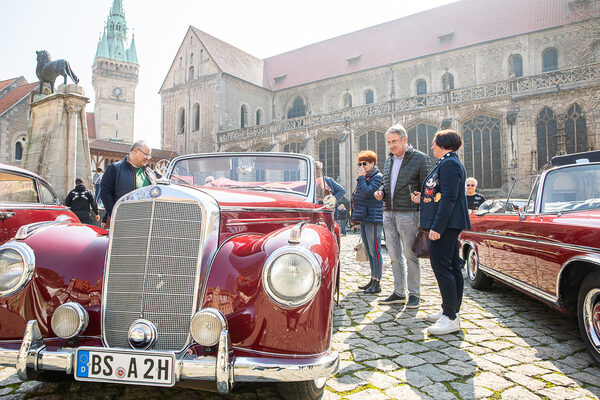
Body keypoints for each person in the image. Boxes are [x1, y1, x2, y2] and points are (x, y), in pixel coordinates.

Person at [410, 129, 470, 335]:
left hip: (446, 225)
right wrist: (422, 199)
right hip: (446, 223)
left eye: (434, 142)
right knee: (451, 266)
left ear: (444, 144)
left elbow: (449, 198)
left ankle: (451, 317)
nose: (431, 146)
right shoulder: (446, 162)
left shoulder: (450, 163)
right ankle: (450, 309)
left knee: (443, 268)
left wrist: (437, 227)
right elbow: (439, 193)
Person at [374, 124, 432, 308]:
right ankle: (399, 292)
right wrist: (380, 191)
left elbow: (428, 188)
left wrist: (421, 198)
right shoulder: (388, 161)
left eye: (394, 141)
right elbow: (385, 183)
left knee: (410, 255)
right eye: (389, 142)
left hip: (408, 213)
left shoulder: (420, 159)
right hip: (388, 212)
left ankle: (414, 293)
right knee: (393, 255)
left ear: (404, 140)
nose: (391, 146)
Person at [100, 140, 155, 228]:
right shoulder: (114, 168)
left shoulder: (150, 174)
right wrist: (114, 215)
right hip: (121, 223)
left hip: (144, 224)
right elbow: (105, 193)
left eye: (149, 155)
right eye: (146, 154)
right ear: (136, 150)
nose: (148, 158)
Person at [351, 150, 384, 294]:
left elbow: (368, 193)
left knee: (375, 250)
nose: (362, 166)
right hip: (365, 217)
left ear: (372, 163)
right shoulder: (367, 177)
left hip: (374, 218)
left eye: (365, 163)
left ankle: (377, 283)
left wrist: (361, 178)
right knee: (369, 251)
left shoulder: (377, 177)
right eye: (360, 163)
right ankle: (372, 279)